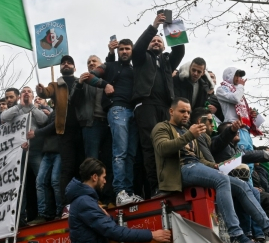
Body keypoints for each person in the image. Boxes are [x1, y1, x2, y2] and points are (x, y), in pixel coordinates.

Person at [151, 97, 269, 243]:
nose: (186, 115)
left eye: (188, 112)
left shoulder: (190, 133)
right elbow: (162, 148)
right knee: (222, 180)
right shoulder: (162, 128)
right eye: (182, 111)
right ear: (171, 111)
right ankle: (236, 235)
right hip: (180, 171)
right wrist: (190, 135)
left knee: (242, 185)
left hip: (195, 166)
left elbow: (201, 160)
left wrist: (216, 166)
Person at [66, 158, 171, 243]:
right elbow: (113, 231)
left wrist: (107, 218)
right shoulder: (85, 203)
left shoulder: (85, 201)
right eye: (103, 177)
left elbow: (104, 228)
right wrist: (152, 235)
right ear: (94, 177)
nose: (105, 181)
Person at [82, 38, 141, 206]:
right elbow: (89, 76)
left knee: (130, 154)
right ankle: (120, 192)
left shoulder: (135, 68)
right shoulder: (110, 66)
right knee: (120, 152)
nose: (124, 51)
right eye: (121, 49)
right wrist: (104, 84)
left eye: (127, 49)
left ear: (131, 51)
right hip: (117, 109)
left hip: (134, 111)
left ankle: (128, 192)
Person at [132, 10, 185, 198]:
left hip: (165, 107)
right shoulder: (140, 58)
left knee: (170, 144)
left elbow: (180, 49)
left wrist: (170, 27)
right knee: (150, 146)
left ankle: (171, 184)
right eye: (153, 40)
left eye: (159, 41)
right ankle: (155, 186)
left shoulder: (167, 61)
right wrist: (154, 26)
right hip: (146, 105)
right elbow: (137, 48)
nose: (156, 42)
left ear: (163, 46)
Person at [37, 55, 82, 213]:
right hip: (65, 132)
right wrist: (41, 90)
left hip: (83, 128)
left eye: (70, 62)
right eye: (63, 63)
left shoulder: (80, 81)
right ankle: (66, 205)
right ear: (60, 68)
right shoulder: (55, 85)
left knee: (83, 165)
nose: (66, 64)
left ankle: (86, 200)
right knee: (67, 168)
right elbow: (46, 93)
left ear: (74, 67)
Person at [0, 86, 49, 226]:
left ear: (33, 96)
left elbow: (44, 121)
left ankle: (43, 212)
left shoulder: (36, 110)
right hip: (19, 153)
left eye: (29, 92)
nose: (26, 93)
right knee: (19, 184)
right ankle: (20, 217)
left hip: (36, 152)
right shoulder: (15, 110)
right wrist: (20, 105)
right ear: (20, 96)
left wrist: (32, 108)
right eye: (23, 92)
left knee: (41, 180)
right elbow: (3, 117)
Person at [73, 54, 115, 206]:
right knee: (92, 164)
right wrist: (78, 84)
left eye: (94, 61)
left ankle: (109, 199)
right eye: (88, 62)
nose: (91, 63)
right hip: (91, 125)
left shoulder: (107, 79)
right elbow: (73, 101)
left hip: (109, 123)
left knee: (109, 162)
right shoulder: (83, 81)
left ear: (100, 65)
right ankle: (93, 199)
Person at [30, 110, 61, 224]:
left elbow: (55, 125)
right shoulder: (50, 113)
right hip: (48, 151)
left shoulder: (61, 107)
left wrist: (36, 133)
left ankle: (60, 212)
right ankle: (43, 214)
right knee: (40, 181)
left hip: (60, 150)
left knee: (55, 181)